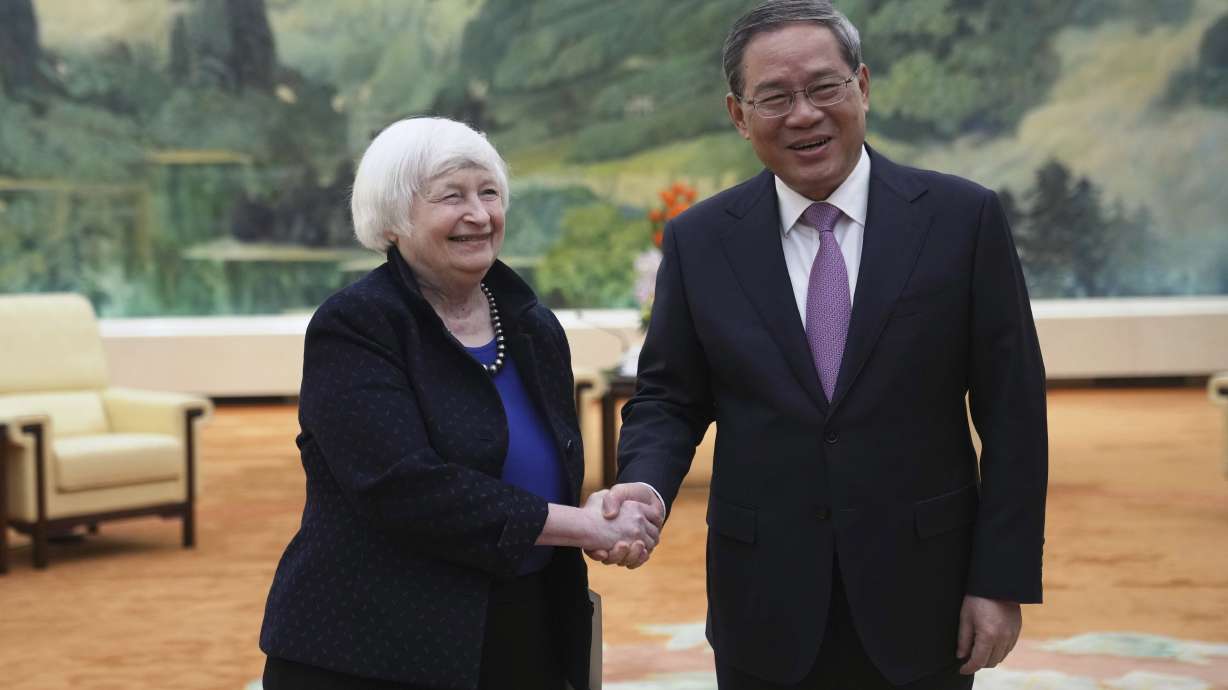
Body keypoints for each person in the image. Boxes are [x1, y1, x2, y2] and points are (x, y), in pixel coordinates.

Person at [592, 1, 1048, 688]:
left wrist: (1000, 579)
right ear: (739, 115)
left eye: (824, 87)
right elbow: (669, 398)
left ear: (861, 86)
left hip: (924, 593)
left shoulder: (961, 219)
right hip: (763, 600)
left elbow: (1013, 411)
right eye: (774, 97)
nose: (803, 114)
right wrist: (646, 484)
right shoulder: (701, 239)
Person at [259, 117, 660, 690]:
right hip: (375, 648)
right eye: (452, 197)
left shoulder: (533, 326)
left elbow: (544, 469)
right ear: (393, 218)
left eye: (489, 193)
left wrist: (603, 512)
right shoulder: (356, 325)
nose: (479, 214)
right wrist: (581, 526)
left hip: (528, 628)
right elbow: (402, 487)